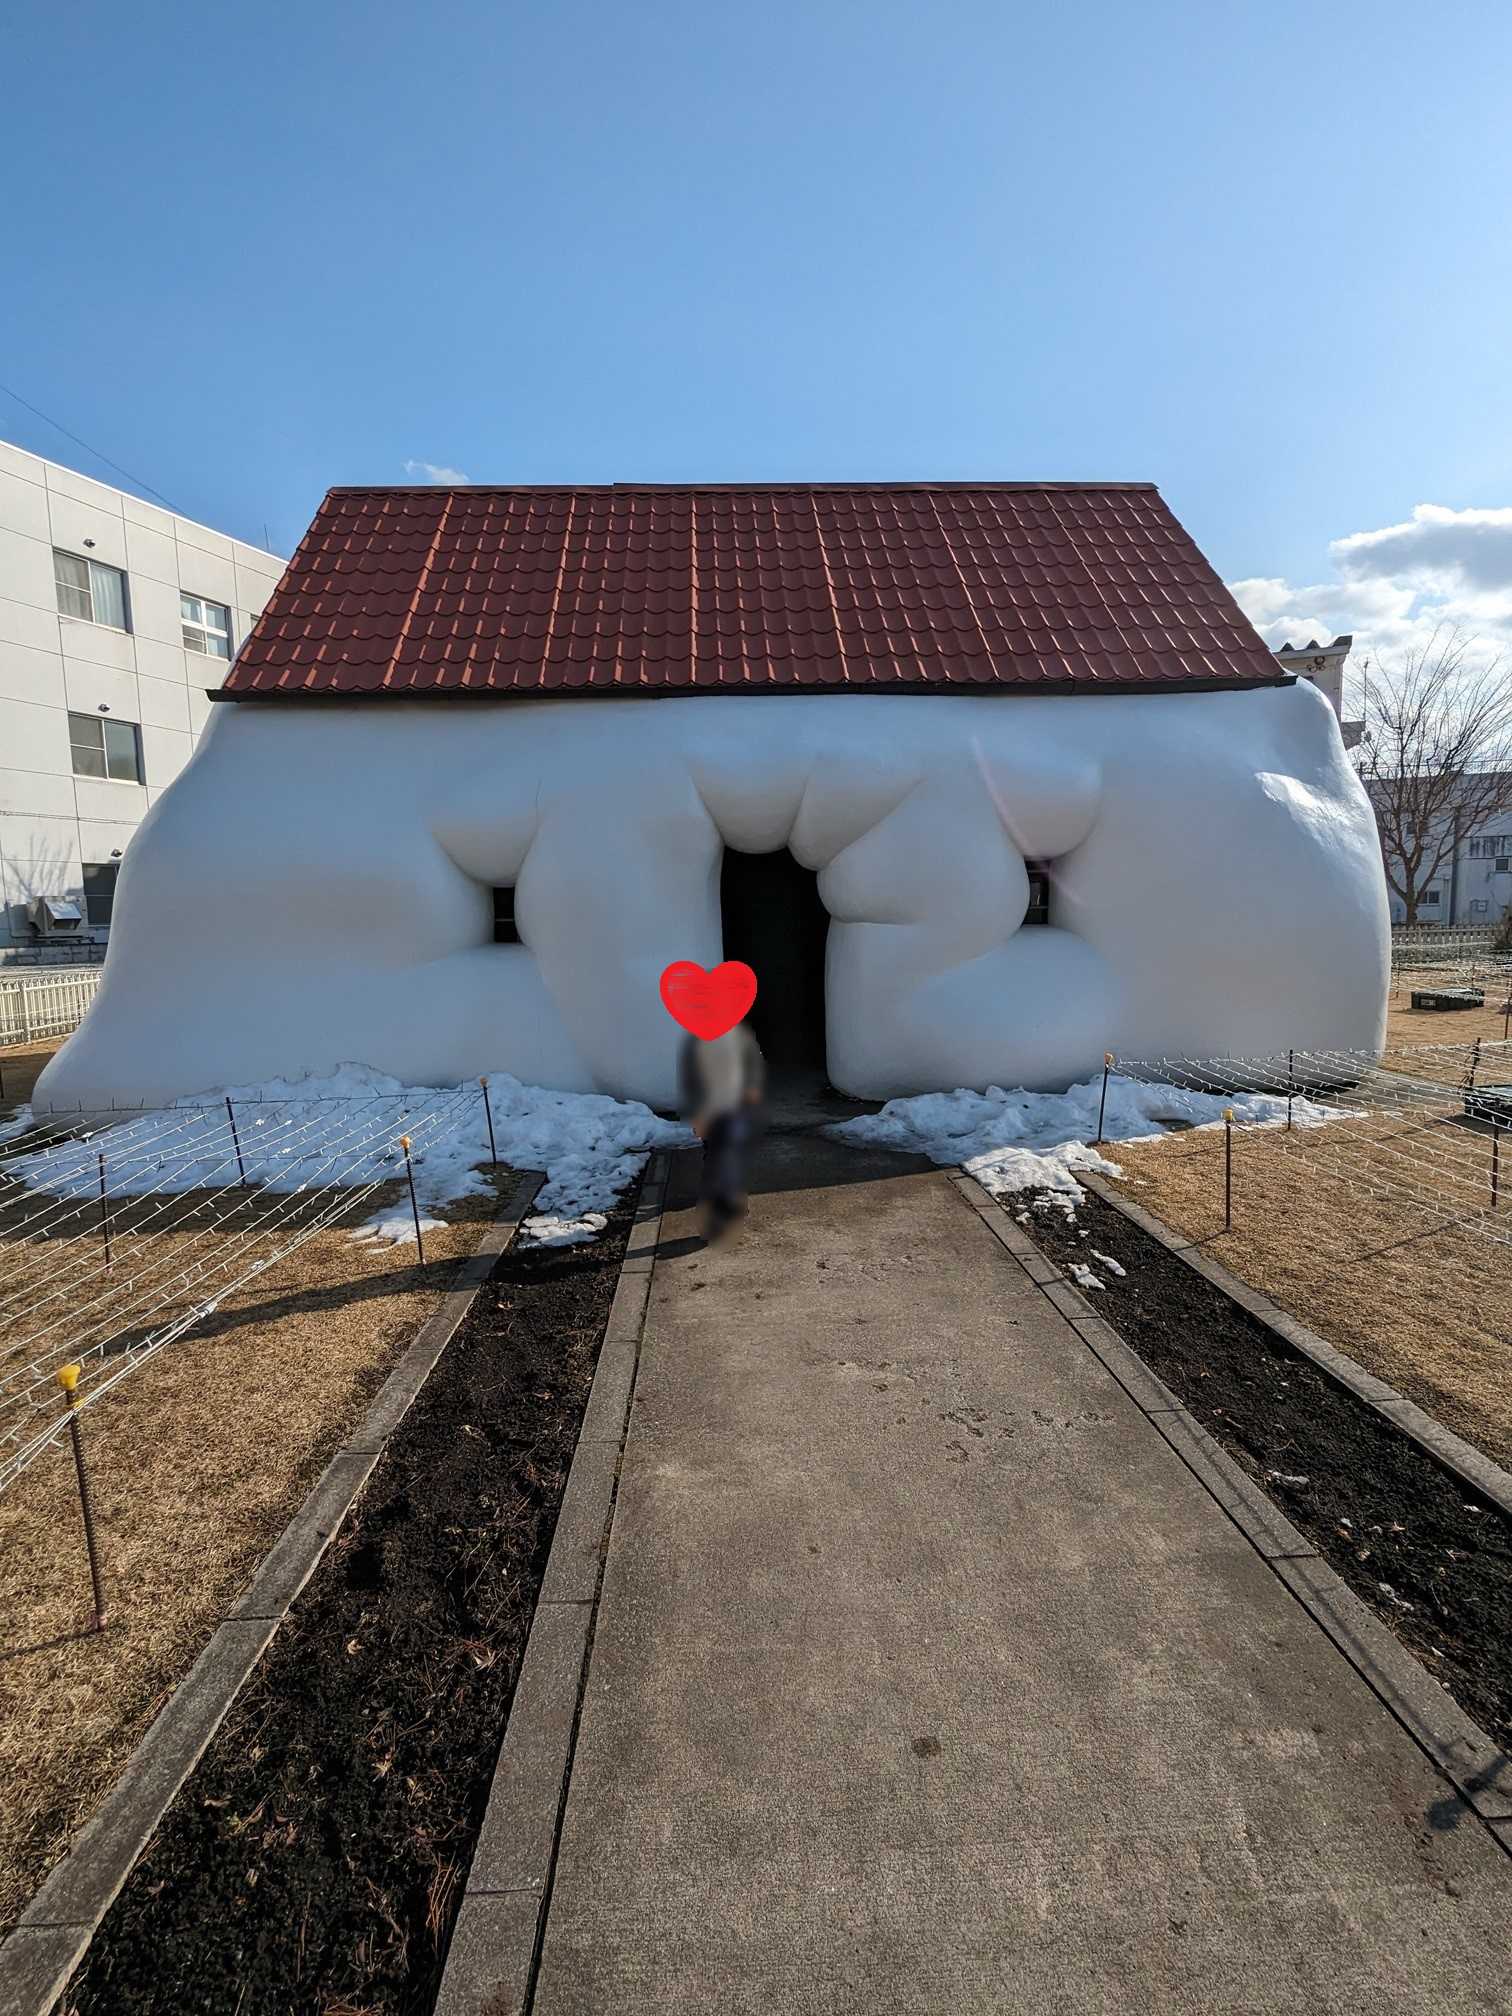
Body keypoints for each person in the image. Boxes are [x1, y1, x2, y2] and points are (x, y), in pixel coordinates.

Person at [678, 1018, 765, 1237]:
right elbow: (692, 1081)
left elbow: (754, 1062)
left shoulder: (741, 1035)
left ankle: (731, 1202)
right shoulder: (698, 1042)